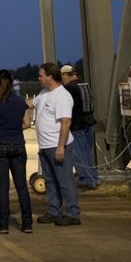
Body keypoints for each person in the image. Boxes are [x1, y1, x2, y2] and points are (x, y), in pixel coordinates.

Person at [0, 69, 32, 234]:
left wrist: (2, 128)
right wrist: (13, 128)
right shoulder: (21, 102)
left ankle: (3, 224)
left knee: (3, 186)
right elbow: (27, 124)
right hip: (18, 145)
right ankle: (27, 222)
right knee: (21, 186)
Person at [33, 63, 80, 226]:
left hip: (58, 146)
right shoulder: (44, 93)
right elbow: (31, 104)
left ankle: (72, 213)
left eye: (41, 75)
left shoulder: (62, 96)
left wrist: (61, 146)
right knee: (50, 181)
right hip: (45, 145)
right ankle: (54, 210)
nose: (39, 78)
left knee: (65, 180)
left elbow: (65, 123)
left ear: (50, 77)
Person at [60, 65, 98, 190]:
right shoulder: (85, 84)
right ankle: (93, 178)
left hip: (77, 124)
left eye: (62, 76)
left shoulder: (69, 88)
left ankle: (87, 180)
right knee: (88, 153)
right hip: (90, 122)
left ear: (66, 75)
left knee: (79, 153)